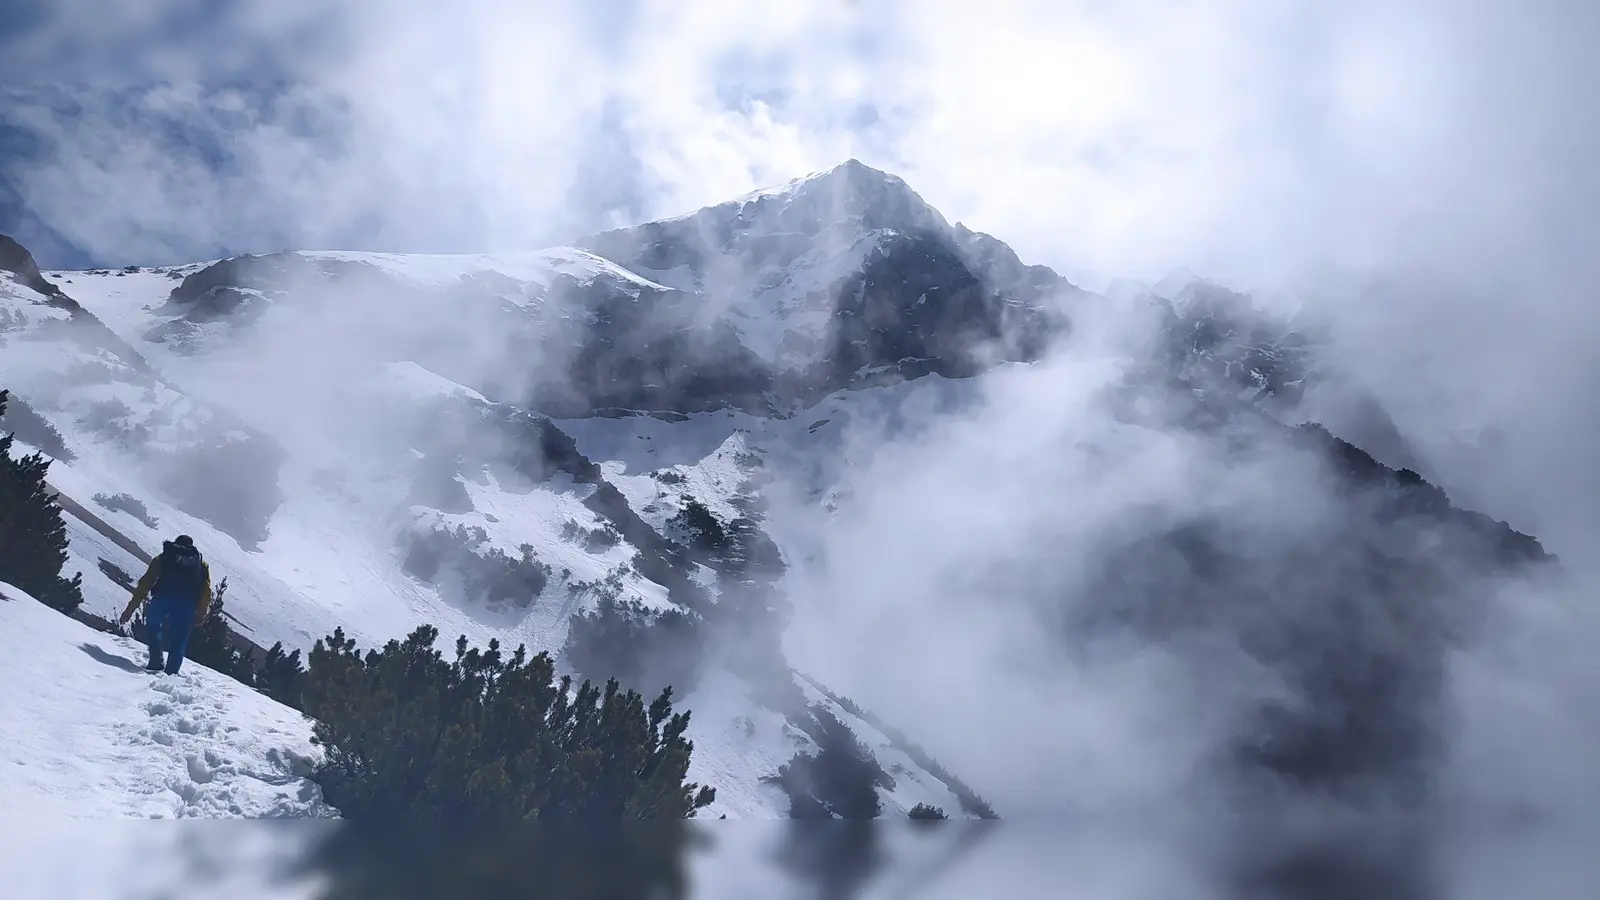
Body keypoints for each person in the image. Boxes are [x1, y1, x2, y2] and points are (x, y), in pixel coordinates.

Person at [118, 534, 213, 675]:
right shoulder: (200, 564)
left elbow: (146, 583)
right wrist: (201, 613)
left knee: (153, 626)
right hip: (186, 604)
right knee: (179, 638)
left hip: (162, 598)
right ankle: (171, 673)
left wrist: (131, 608)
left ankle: (156, 659)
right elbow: (207, 591)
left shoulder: (164, 558)